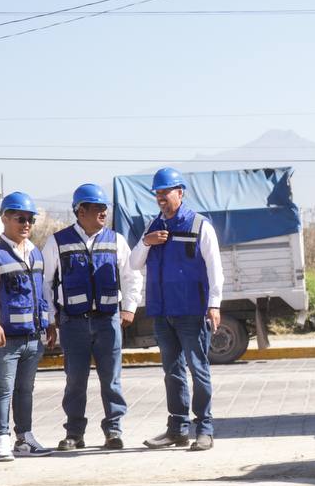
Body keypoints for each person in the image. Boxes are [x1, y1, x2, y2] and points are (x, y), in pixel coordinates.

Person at [129, 167, 224, 452]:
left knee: (198, 369)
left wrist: (214, 304)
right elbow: (134, 263)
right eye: (157, 193)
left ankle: (204, 429)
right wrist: (147, 242)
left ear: (180, 193)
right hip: (162, 311)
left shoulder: (199, 226)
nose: (160, 197)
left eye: (165, 192)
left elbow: (215, 268)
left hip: (192, 311)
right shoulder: (152, 227)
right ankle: (178, 429)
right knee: (172, 372)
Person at [42, 183, 141, 451]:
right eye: (97, 208)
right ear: (80, 210)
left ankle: (114, 431)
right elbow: (45, 282)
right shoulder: (57, 242)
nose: (103, 213)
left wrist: (130, 306)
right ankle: (74, 433)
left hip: (108, 321)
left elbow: (131, 275)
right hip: (73, 323)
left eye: (104, 208)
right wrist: (50, 318)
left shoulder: (116, 240)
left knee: (112, 380)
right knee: (75, 380)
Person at [0, 192, 54, 461]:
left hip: (33, 337)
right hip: (4, 338)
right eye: (20, 218)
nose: (26, 223)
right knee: (3, 390)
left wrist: (50, 322)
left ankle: (25, 438)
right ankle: (2, 440)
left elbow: (44, 292)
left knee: (25, 390)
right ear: (5, 218)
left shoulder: (36, 252)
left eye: (30, 218)